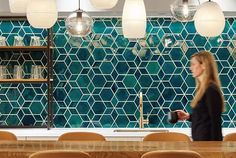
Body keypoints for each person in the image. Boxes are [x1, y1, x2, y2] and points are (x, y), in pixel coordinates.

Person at [176, 51, 225, 141]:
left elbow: (215, 122)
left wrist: (216, 149)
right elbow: (204, 118)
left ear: (204, 65)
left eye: (193, 64)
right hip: (200, 144)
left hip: (208, 148)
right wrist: (188, 116)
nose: (190, 68)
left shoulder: (211, 90)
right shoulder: (202, 89)